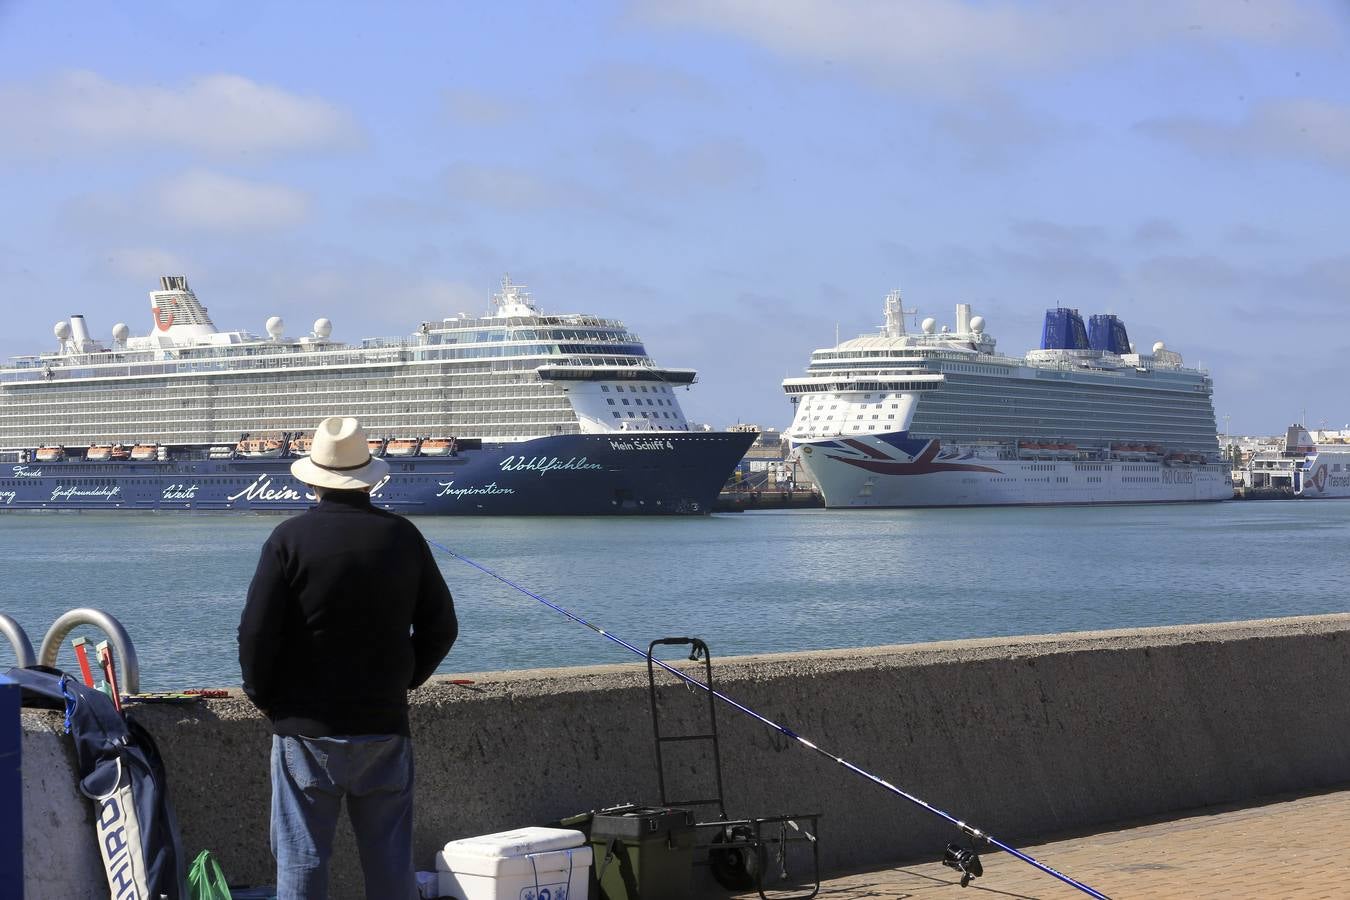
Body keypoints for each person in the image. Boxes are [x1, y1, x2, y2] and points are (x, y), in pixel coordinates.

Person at [238, 416, 458, 900]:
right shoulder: (403, 536)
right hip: (384, 725)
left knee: (303, 861)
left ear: (313, 479)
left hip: (305, 729)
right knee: (389, 865)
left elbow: (255, 635)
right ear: (368, 477)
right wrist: (405, 679)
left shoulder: (287, 540)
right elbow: (442, 627)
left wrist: (268, 700)